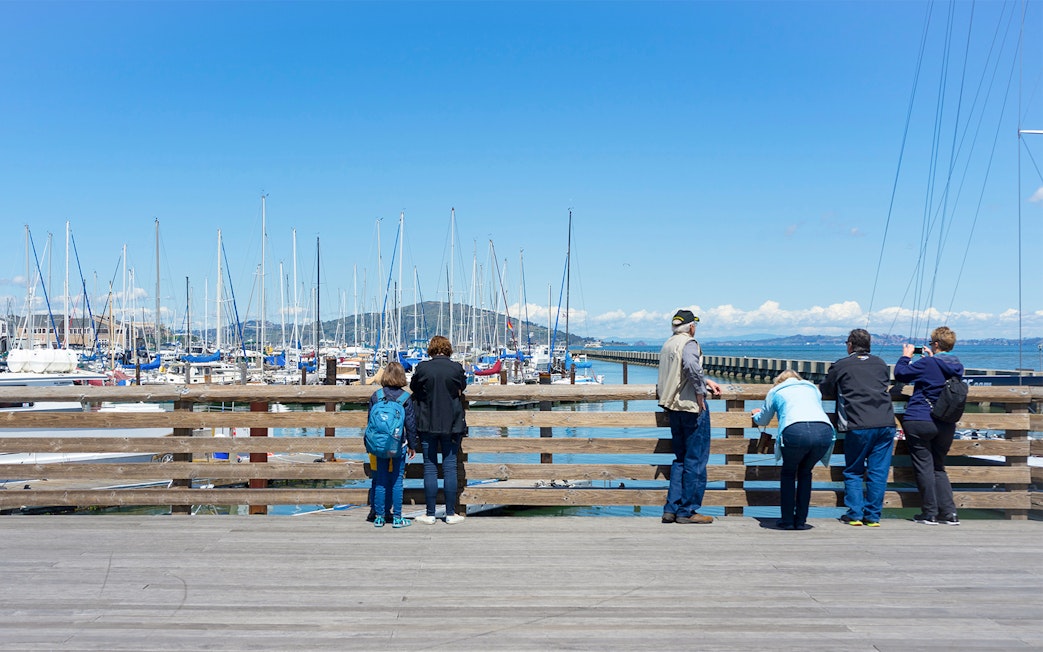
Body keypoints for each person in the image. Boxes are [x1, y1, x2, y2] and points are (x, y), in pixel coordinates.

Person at [819, 328, 896, 527]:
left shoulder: (842, 365)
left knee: (854, 470)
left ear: (850, 345)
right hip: (886, 422)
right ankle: (872, 517)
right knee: (878, 472)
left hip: (858, 423)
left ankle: (855, 514)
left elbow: (826, 388)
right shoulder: (880, 363)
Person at [656, 309, 722, 525]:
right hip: (691, 407)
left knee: (680, 459)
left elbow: (678, 373)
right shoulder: (690, 343)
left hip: (672, 407)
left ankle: (670, 509)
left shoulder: (668, 344)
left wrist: (706, 381)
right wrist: (701, 392)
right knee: (696, 460)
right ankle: (687, 511)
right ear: (691, 326)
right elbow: (692, 366)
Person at [894, 326, 965, 526]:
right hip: (945, 423)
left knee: (924, 467)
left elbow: (901, 374)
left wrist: (906, 356)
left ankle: (930, 513)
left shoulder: (927, 363)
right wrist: (932, 357)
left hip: (920, 419)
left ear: (935, 343)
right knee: (938, 468)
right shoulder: (957, 366)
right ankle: (950, 514)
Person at [752, 371, 835, 530]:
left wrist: (755, 415)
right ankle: (801, 520)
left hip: (795, 430)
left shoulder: (776, 391)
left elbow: (763, 419)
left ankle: (788, 521)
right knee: (805, 473)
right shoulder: (812, 388)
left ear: (778, 381)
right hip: (824, 430)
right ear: (798, 379)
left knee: (789, 473)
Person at [409, 335, 469, 525]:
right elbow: (463, 387)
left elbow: (413, 387)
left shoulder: (423, 368)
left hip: (427, 423)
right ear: (448, 349)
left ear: (431, 349)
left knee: (430, 467)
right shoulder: (456, 368)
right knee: (450, 467)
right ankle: (450, 513)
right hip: (452, 425)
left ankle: (430, 514)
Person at [367, 361, 417, 528]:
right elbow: (410, 424)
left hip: (379, 444)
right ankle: (397, 517)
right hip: (399, 444)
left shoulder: (376, 396)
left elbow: (370, 423)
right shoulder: (405, 398)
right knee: (397, 480)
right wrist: (412, 445)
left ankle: (380, 517)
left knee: (380, 479)